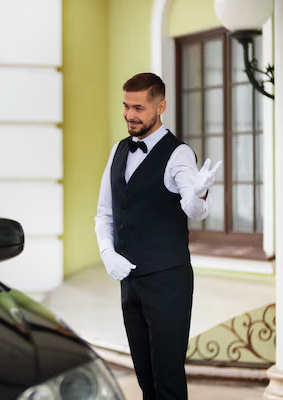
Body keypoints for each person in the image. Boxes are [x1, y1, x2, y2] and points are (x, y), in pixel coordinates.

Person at [95, 72, 221, 400]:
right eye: (125, 106)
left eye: (138, 107)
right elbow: (105, 213)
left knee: (167, 377)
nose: (129, 115)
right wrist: (107, 252)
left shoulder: (178, 154)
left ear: (160, 106)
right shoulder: (118, 151)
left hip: (168, 281)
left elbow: (194, 209)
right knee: (145, 377)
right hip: (129, 281)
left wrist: (200, 191)